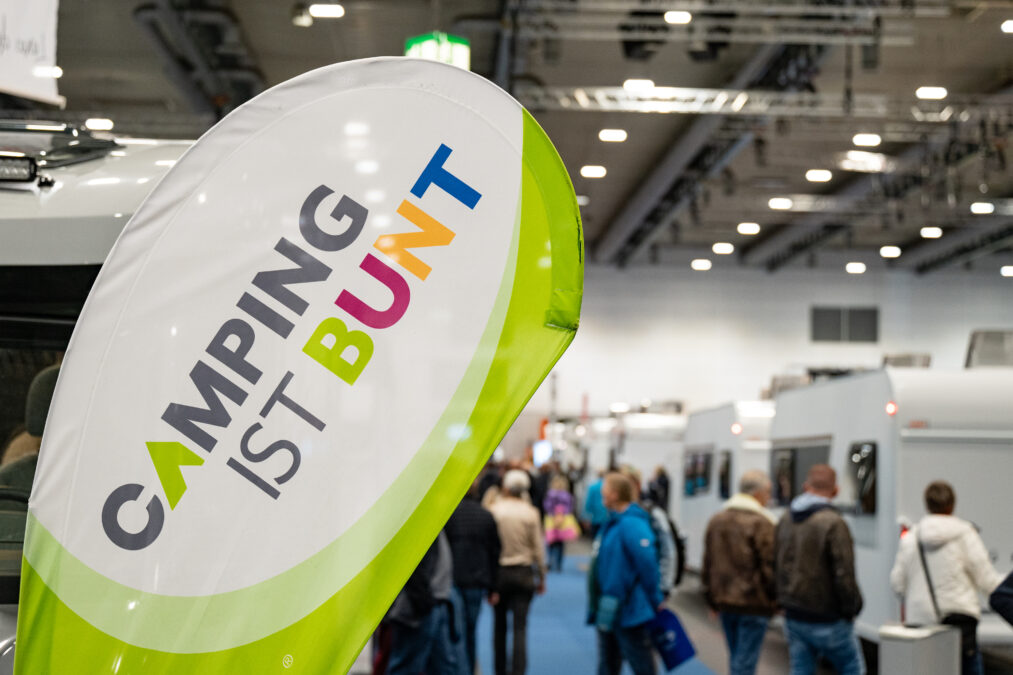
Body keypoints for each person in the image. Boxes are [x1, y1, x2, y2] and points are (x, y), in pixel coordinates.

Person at [890, 481, 1001, 675]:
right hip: (960, 621)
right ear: (952, 504)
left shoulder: (911, 538)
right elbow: (986, 578)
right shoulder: (965, 534)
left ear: (927, 505)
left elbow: (897, 584)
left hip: (921, 622)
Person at [774, 464, 864, 675]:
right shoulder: (834, 523)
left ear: (806, 487)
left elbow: (777, 562)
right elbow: (844, 573)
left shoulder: (786, 518)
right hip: (828, 616)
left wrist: (780, 601)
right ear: (835, 490)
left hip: (794, 613)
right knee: (852, 667)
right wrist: (852, 608)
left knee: (800, 669)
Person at [702, 469, 777, 675]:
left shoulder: (717, 520)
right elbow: (770, 565)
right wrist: (775, 599)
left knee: (737, 657)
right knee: (745, 663)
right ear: (758, 493)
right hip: (753, 603)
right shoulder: (763, 523)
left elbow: (708, 562)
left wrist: (710, 599)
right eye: (768, 492)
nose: (769, 498)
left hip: (725, 600)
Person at [590, 472, 662, 675]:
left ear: (615, 493)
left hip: (630, 608)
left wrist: (655, 598)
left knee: (641, 664)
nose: (601, 493)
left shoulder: (632, 523)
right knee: (608, 664)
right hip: (610, 605)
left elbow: (647, 563)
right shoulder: (613, 522)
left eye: (605, 489)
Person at [488, 469, 546, 675]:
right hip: (523, 573)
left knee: (499, 626)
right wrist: (542, 576)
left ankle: (499, 670)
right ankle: (518, 671)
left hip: (499, 574)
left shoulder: (494, 510)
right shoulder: (531, 512)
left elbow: (489, 547)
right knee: (520, 628)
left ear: (505, 487)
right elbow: (538, 549)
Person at [384, 531, 464, 675]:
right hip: (422, 607)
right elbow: (411, 562)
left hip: (434, 602)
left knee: (443, 666)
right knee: (407, 665)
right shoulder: (420, 524)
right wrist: (424, 602)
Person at [445, 480, 502, 675]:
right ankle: (469, 669)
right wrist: (493, 587)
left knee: (454, 632)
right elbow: (495, 553)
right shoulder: (486, 516)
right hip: (476, 582)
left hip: (453, 581)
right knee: (471, 631)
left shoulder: (449, 516)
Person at [620, 465, 677, 599]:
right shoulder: (617, 515)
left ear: (637, 486)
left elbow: (668, 551)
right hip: (623, 589)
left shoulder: (653, 514)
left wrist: (664, 587)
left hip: (646, 590)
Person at [543, 474, 576, 572]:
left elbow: (546, 506)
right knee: (560, 543)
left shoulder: (550, 494)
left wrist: (554, 514)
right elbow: (570, 507)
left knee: (550, 542)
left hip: (551, 520)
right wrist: (562, 514)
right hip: (563, 520)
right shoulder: (567, 495)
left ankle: (550, 561)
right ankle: (558, 563)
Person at [583, 470, 609, 540]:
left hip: (595, 516)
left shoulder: (592, 487)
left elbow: (588, 502)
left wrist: (586, 516)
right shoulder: (607, 486)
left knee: (595, 538)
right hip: (606, 515)